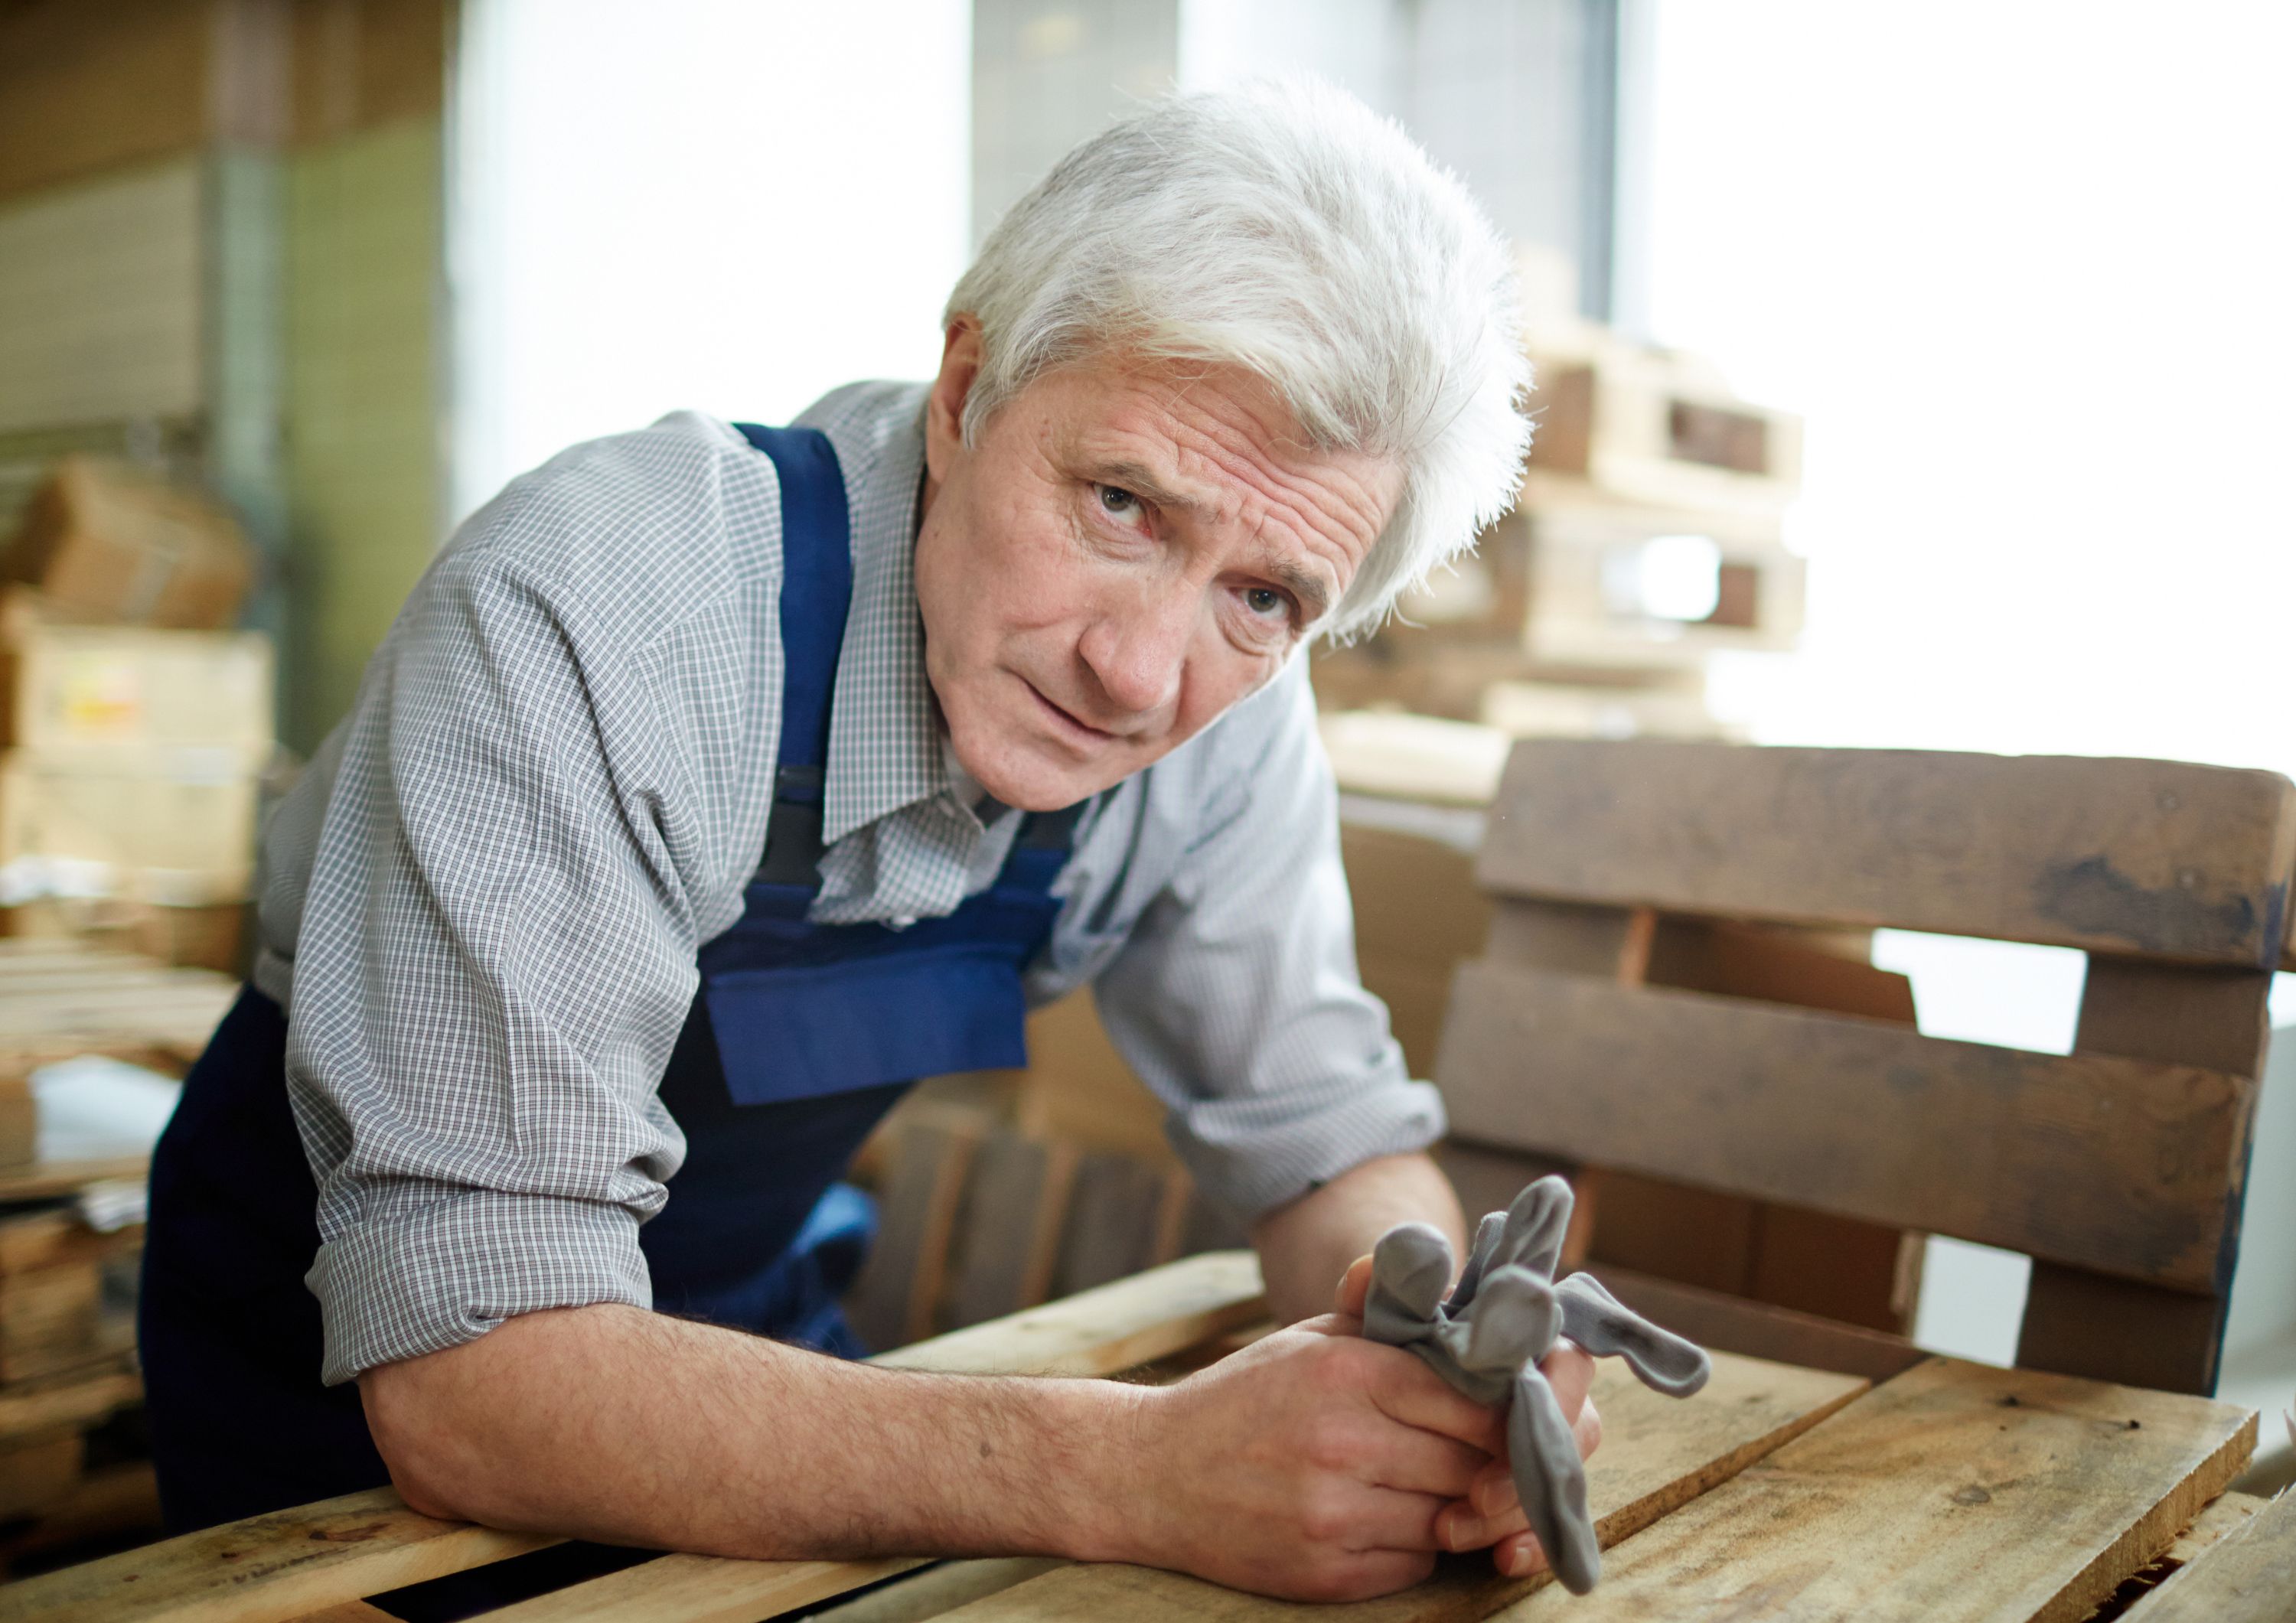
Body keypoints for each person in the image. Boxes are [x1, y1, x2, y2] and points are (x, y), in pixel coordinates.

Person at [139, 78, 1600, 1604]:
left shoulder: (1225, 724)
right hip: (348, 1414)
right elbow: (473, 1382)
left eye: (1266, 597)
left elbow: (1329, 1140)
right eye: (1120, 504)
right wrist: (1128, 1464)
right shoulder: (602, 607)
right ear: (968, 389)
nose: (1142, 674)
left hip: (748, 1358)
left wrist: (1437, 1366)